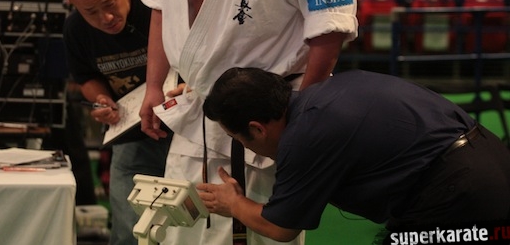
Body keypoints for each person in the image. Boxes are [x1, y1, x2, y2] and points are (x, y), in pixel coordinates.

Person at [138, 0, 357, 245]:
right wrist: (153, 85)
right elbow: (160, 4)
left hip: (264, 120)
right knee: (177, 232)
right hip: (196, 112)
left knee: (260, 235)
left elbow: (331, 23)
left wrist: (301, 114)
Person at [199, 67, 510, 240]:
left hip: (459, 193)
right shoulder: (328, 93)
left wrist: (233, 202)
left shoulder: (304, 136)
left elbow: (280, 226)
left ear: (256, 129)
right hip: (492, 160)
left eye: (236, 138)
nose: (244, 147)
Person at [62, 0, 172, 245]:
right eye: (91, 12)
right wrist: (101, 99)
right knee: (128, 230)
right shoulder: (75, 30)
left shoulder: (155, 1)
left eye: (109, 3)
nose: (106, 18)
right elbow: (85, 77)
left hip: (182, 123)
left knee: (184, 228)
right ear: (75, 6)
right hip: (131, 129)